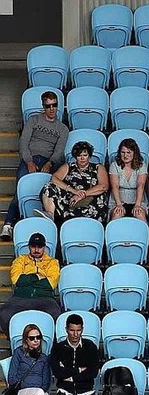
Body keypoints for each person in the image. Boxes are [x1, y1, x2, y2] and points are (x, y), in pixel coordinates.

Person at [3, 90, 68, 239]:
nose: (51, 109)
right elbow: (24, 142)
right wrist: (29, 161)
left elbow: (59, 150)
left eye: (54, 105)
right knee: (21, 190)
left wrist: (50, 163)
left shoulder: (62, 128)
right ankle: (8, 224)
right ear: (43, 106)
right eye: (48, 106)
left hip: (49, 161)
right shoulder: (33, 120)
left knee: (49, 190)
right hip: (30, 159)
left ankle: (45, 223)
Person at [0, 232, 61, 337]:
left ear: (44, 247)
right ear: (29, 247)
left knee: (56, 315)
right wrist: (37, 277)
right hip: (20, 298)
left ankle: (47, 343)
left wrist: (27, 279)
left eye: (40, 247)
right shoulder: (19, 260)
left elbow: (50, 284)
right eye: (33, 246)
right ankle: (15, 340)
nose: (36, 250)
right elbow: (17, 280)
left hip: (45, 298)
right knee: (4, 314)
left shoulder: (53, 262)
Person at [37, 140, 109, 222]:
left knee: (102, 196)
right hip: (69, 201)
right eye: (79, 155)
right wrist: (74, 191)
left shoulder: (98, 167)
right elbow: (54, 178)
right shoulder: (68, 166)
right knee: (49, 187)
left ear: (89, 156)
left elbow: (104, 186)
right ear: (75, 157)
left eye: (85, 155)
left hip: (91, 202)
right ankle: (50, 215)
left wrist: (83, 194)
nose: (82, 158)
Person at [49, 313, 104, 395]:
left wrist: (71, 377)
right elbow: (58, 373)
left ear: (82, 330)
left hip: (86, 393)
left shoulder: (90, 347)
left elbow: (93, 372)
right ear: (66, 330)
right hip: (65, 392)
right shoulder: (58, 348)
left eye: (78, 330)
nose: (75, 334)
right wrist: (79, 370)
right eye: (72, 330)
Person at [6, 323, 52, 395]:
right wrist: (31, 386)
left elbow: (46, 383)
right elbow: (11, 379)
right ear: (26, 340)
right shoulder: (18, 353)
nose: (36, 340)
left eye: (38, 337)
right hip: (20, 394)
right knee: (38, 392)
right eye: (32, 338)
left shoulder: (44, 358)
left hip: (40, 394)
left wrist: (35, 389)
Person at [108, 138, 148, 222]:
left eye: (128, 152)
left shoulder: (141, 165)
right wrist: (119, 204)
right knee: (117, 214)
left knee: (139, 214)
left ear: (134, 153)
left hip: (138, 200)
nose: (125, 155)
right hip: (118, 200)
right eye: (123, 152)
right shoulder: (114, 165)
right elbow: (114, 186)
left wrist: (137, 205)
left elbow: (141, 185)